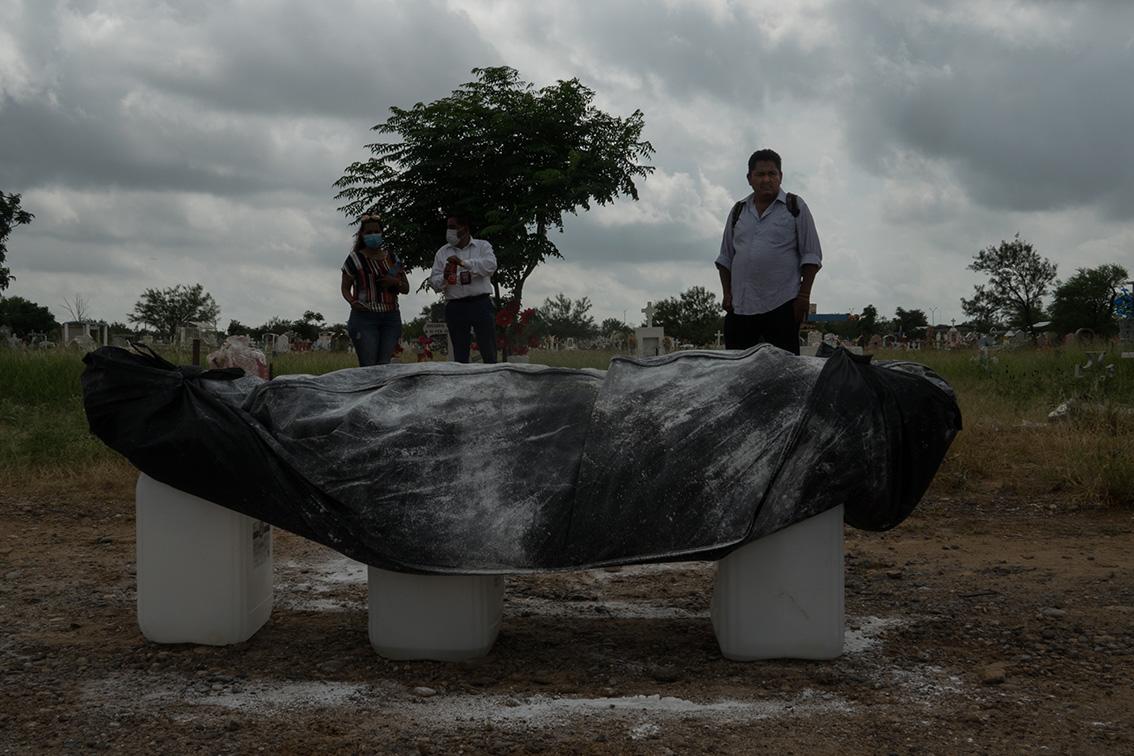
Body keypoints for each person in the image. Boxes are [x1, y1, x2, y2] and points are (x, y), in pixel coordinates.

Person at [715, 149, 823, 355]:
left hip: (781, 306)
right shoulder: (739, 211)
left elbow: (811, 256)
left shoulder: (795, 207)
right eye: (760, 174)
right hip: (741, 308)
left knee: (783, 373)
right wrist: (727, 293)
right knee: (737, 372)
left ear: (780, 176)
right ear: (749, 178)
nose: (767, 179)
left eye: (772, 174)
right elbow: (725, 258)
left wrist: (804, 296)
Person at [341, 214, 409, 366]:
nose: (373, 235)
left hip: (390, 317)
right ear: (362, 235)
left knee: (384, 364)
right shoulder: (354, 259)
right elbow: (345, 288)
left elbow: (406, 288)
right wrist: (352, 301)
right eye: (369, 232)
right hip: (364, 317)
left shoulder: (392, 257)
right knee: (368, 365)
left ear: (382, 233)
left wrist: (394, 281)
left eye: (376, 232)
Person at [429, 213, 498, 363]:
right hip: (456, 306)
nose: (449, 231)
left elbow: (491, 266)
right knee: (459, 355)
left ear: (465, 229)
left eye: (453, 227)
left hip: (481, 303)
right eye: (448, 227)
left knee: (489, 351)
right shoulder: (442, 252)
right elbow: (433, 282)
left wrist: (463, 263)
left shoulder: (482, 246)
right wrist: (445, 277)